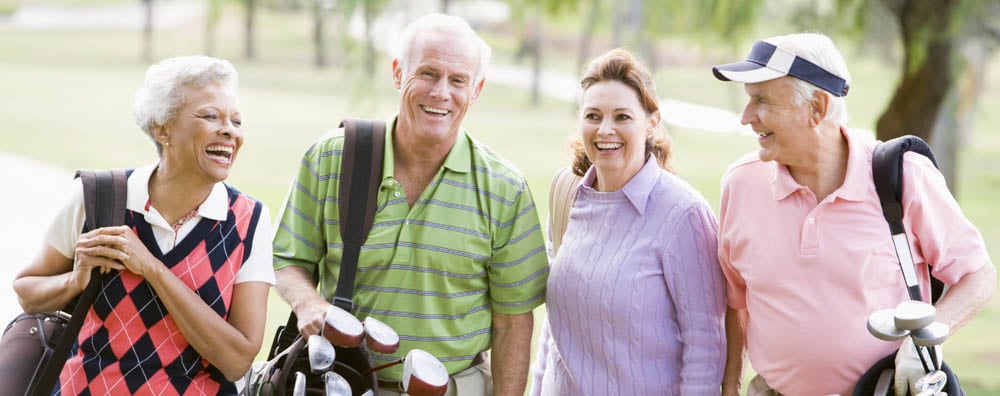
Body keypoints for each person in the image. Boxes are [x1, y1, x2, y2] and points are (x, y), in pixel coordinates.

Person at [271, 13, 549, 396]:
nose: (441, 93)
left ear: (477, 89)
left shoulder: (506, 189)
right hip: (343, 385)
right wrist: (308, 303)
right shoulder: (331, 158)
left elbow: (513, 325)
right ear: (398, 73)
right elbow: (287, 258)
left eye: (458, 80)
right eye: (428, 73)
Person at [712, 33, 996, 396]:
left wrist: (923, 341)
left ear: (816, 107)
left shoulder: (904, 177)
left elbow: (978, 276)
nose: (746, 117)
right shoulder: (741, 184)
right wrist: (731, 387)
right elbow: (736, 305)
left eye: (762, 101)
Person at [12, 55, 275, 395]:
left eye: (236, 121)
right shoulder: (100, 197)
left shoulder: (249, 220)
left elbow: (237, 359)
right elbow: (27, 293)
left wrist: (152, 268)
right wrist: (75, 281)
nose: (229, 130)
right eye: (211, 116)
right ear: (162, 128)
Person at [529, 48, 727, 395]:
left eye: (622, 117)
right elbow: (555, 328)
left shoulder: (683, 214)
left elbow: (705, 349)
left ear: (651, 122)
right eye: (593, 115)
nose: (605, 130)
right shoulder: (567, 196)